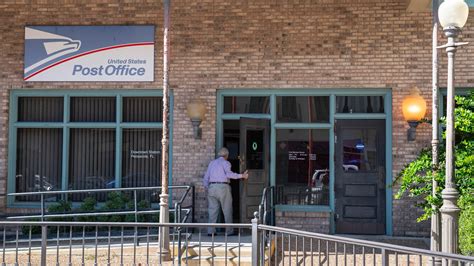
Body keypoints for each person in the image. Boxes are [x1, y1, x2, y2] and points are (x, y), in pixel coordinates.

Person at [203, 147, 248, 235]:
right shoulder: (226, 163)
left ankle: (210, 231)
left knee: (212, 210)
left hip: (212, 187)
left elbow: (206, 177)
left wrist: (207, 187)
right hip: (223, 187)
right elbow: (229, 174)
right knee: (227, 209)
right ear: (226, 155)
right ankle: (229, 231)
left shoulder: (212, 163)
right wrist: (242, 175)